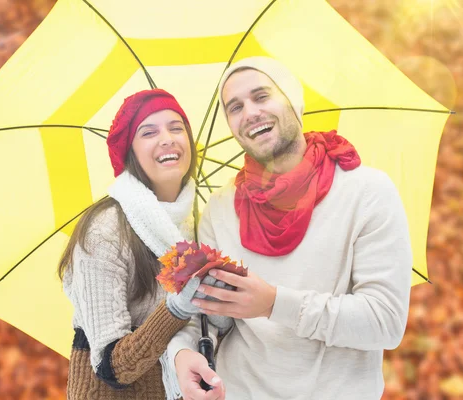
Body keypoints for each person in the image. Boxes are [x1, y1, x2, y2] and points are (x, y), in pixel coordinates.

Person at [168, 56, 413, 400]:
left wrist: (273, 304)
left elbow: (384, 322)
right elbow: (206, 315)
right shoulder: (219, 210)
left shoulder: (366, 192)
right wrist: (182, 353)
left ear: (294, 102)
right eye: (234, 107)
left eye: (262, 96)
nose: (250, 112)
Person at [57, 88, 228, 399]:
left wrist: (220, 307)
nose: (167, 138)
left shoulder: (200, 224)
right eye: (149, 132)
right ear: (130, 152)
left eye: (176, 128)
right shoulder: (105, 230)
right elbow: (111, 367)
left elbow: (206, 326)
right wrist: (175, 308)